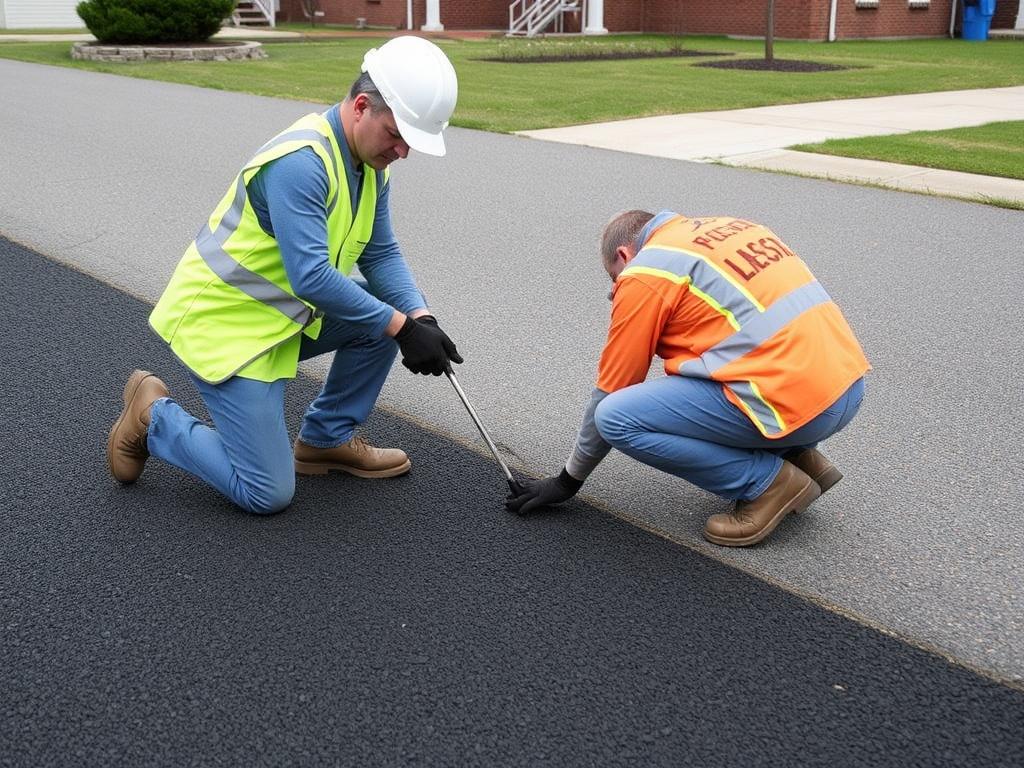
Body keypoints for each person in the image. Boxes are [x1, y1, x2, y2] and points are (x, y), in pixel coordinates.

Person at [107, 36, 463, 514]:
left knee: (392, 321)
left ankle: (324, 439)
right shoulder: (301, 164)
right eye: (397, 136)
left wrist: (421, 317)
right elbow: (311, 277)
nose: (403, 151)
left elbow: (380, 254)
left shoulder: (369, 162)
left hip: (278, 320)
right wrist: (401, 327)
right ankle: (153, 418)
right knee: (267, 493)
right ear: (361, 107)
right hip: (227, 326)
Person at [507, 210, 870, 547]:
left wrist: (567, 481)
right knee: (715, 372)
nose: (618, 289)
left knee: (616, 417)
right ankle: (801, 460)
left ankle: (769, 484)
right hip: (846, 389)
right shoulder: (734, 230)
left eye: (615, 280)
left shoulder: (647, 271)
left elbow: (613, 388)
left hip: (790, 406)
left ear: (623, 255)